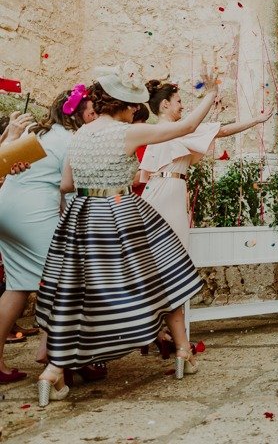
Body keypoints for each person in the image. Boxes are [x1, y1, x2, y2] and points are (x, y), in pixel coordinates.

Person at [34, 63, 219, 406]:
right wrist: (211, 93)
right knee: (165, 274)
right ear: (122, 104)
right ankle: (182, 351)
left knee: (74, 294)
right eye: (133, 105)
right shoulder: (127, 133)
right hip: (119, 213)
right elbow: (188, 126)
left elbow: (66, 185)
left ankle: (54, 371)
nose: (137, 109)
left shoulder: (80, 135)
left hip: (81, 218)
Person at [0, 87, 97, 385]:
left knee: (18, 286)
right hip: (34, 214)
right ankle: (58, 360)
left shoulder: (42, 134)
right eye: (92, 112)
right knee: (62, 283)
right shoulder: (73, 140)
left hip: (7, 207)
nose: (95, 118)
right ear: (76, 114)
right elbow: (70, 189)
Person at [139, 79, 273, 247]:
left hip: (161, 189)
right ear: (165, 104)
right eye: (179, 101)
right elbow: (223, 131)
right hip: (168, 190)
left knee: (160, 248)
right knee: (174, 247)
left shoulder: (159, 130)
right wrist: (256, 120)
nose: (182, 106)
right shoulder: (177, 130)